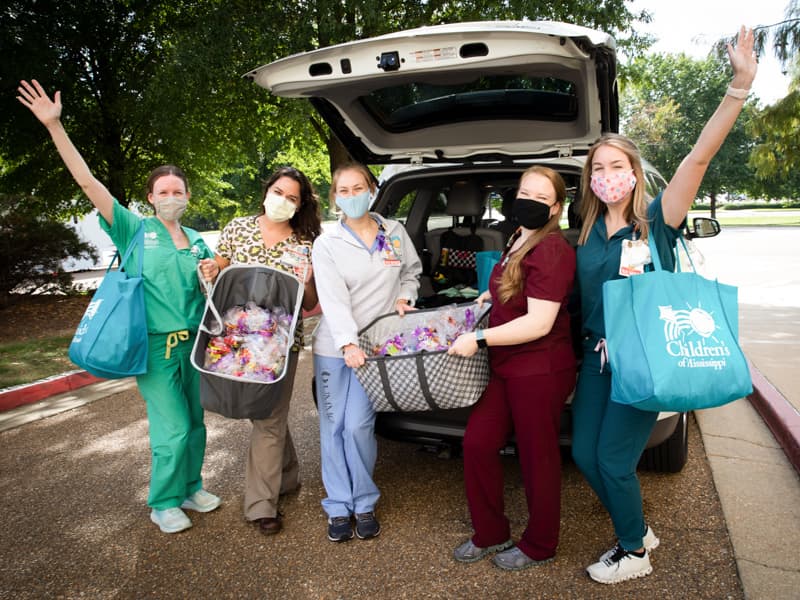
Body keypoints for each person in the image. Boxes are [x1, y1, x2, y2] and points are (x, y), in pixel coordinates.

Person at [570, 26, 758, 584]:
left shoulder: (658, 224)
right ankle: (638, 528)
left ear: (633, 172)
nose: (608, 177)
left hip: (646, 358)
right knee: (584, 454)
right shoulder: (580, 234)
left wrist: (738, 88)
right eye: (597, 169)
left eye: (616, 166)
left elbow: (697, 159)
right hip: (595, 360)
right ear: (590, 179)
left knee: (613, 461)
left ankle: (634, 551)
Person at [17, 79, 224, 534]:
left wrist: (212, 274)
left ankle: (191, 486)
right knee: (170, 429)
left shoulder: (195, 241)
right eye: (163, 191)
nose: (171, 197)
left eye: (178, 190)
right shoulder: (133, 229)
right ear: (150, 198)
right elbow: (87, 182)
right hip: (153, 348)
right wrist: (55, 128)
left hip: (194, 346)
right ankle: (163, 501)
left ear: (189, 197)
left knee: (195, 423)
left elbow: (213, 286)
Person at [447, 166, 577, 570]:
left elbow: (539, 322)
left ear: (556, 207)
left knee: (537, 458)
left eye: (541, 198)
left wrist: (478, 339)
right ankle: (491, 533)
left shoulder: (553, 249)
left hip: (540, 369)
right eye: (525, 193)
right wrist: (490, 294)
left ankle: (540, 544)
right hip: (508, 366)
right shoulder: (518, 237)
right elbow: (513, 286)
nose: (530, 203)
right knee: (478, 443)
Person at [312, 162, 422, 542]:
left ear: (372, 189)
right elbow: (332, 299)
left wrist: (406, 295)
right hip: (335, 347)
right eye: (343, 190)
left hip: (377, 346)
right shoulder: (327, 244)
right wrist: (347, 343)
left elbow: (411, 271)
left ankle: (365, 500)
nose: (351, 195)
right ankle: (339, 506)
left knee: (358, 425)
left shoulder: (393, 232)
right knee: (334, 426)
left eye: (358, 187)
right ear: (334, 198)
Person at [212, 166, 321, 535]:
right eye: (278, 192)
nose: (283, 201)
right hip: (236, 342)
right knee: (264, 414)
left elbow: (309, 303)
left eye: (292, 197)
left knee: (269, 417)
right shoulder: (237, 227)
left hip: (280, 345)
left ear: (300, 204)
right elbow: (220, 268)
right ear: (266, 191)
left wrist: (307, 282)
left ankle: (261, 505)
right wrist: (212, 267)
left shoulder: (306, 242)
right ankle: (287, 476)